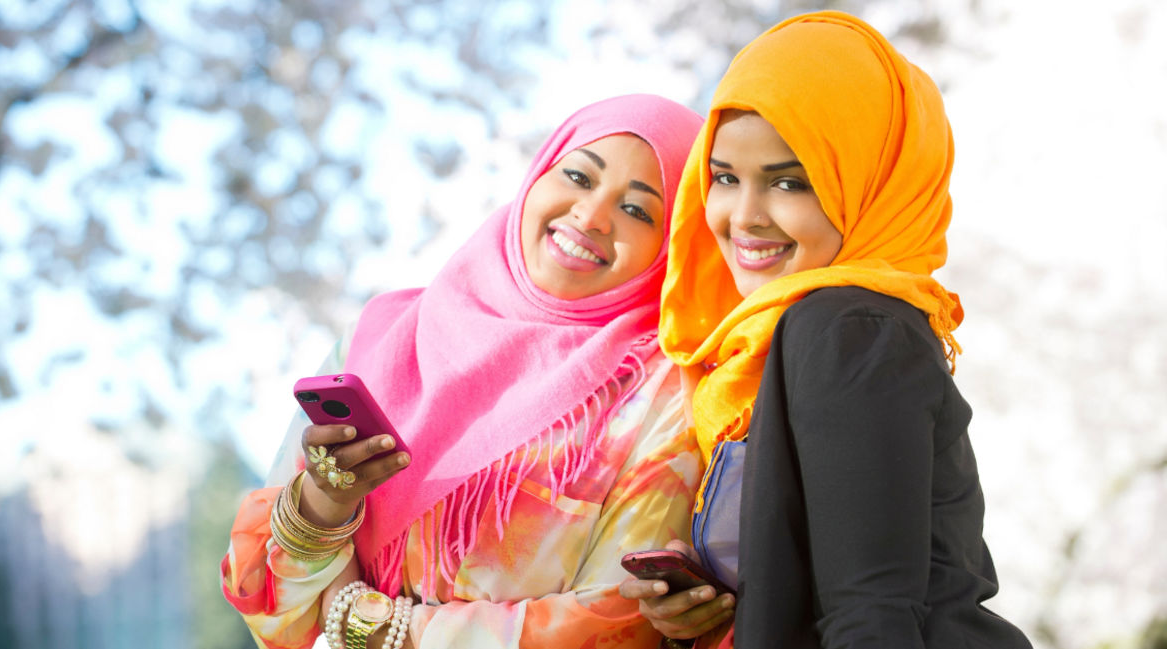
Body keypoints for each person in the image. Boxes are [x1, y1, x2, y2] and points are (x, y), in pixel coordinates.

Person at [221, 93, 705, 649]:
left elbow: (615, 619)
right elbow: (271, 609)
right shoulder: (384, 335)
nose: (591, 216)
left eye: (639, 210)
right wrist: (323, 508)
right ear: (538, 174)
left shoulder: (659, 391)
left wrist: (385, 633)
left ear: (673, 240)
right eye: (577, 176)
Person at [619, 11, 1033, 649]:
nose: (744, 217)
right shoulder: (774, 351)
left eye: (790, 182)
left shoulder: (849, 329)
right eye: (725, 177)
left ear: (869, 182)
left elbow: (870, 617)